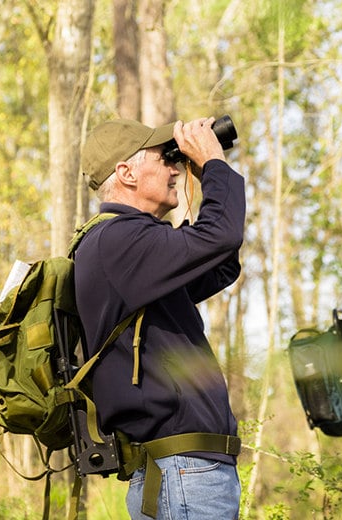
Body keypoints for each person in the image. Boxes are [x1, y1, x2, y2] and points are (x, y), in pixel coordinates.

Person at [75, 116, 245, 520]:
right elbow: (220, 237)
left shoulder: (124, 243)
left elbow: (219, 262)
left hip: (181, 472)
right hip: (183, 473)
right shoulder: (119, 239)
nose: (174, 167)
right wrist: (215, 166)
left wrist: (206, 173)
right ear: (126, 172)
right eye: (164, 158)